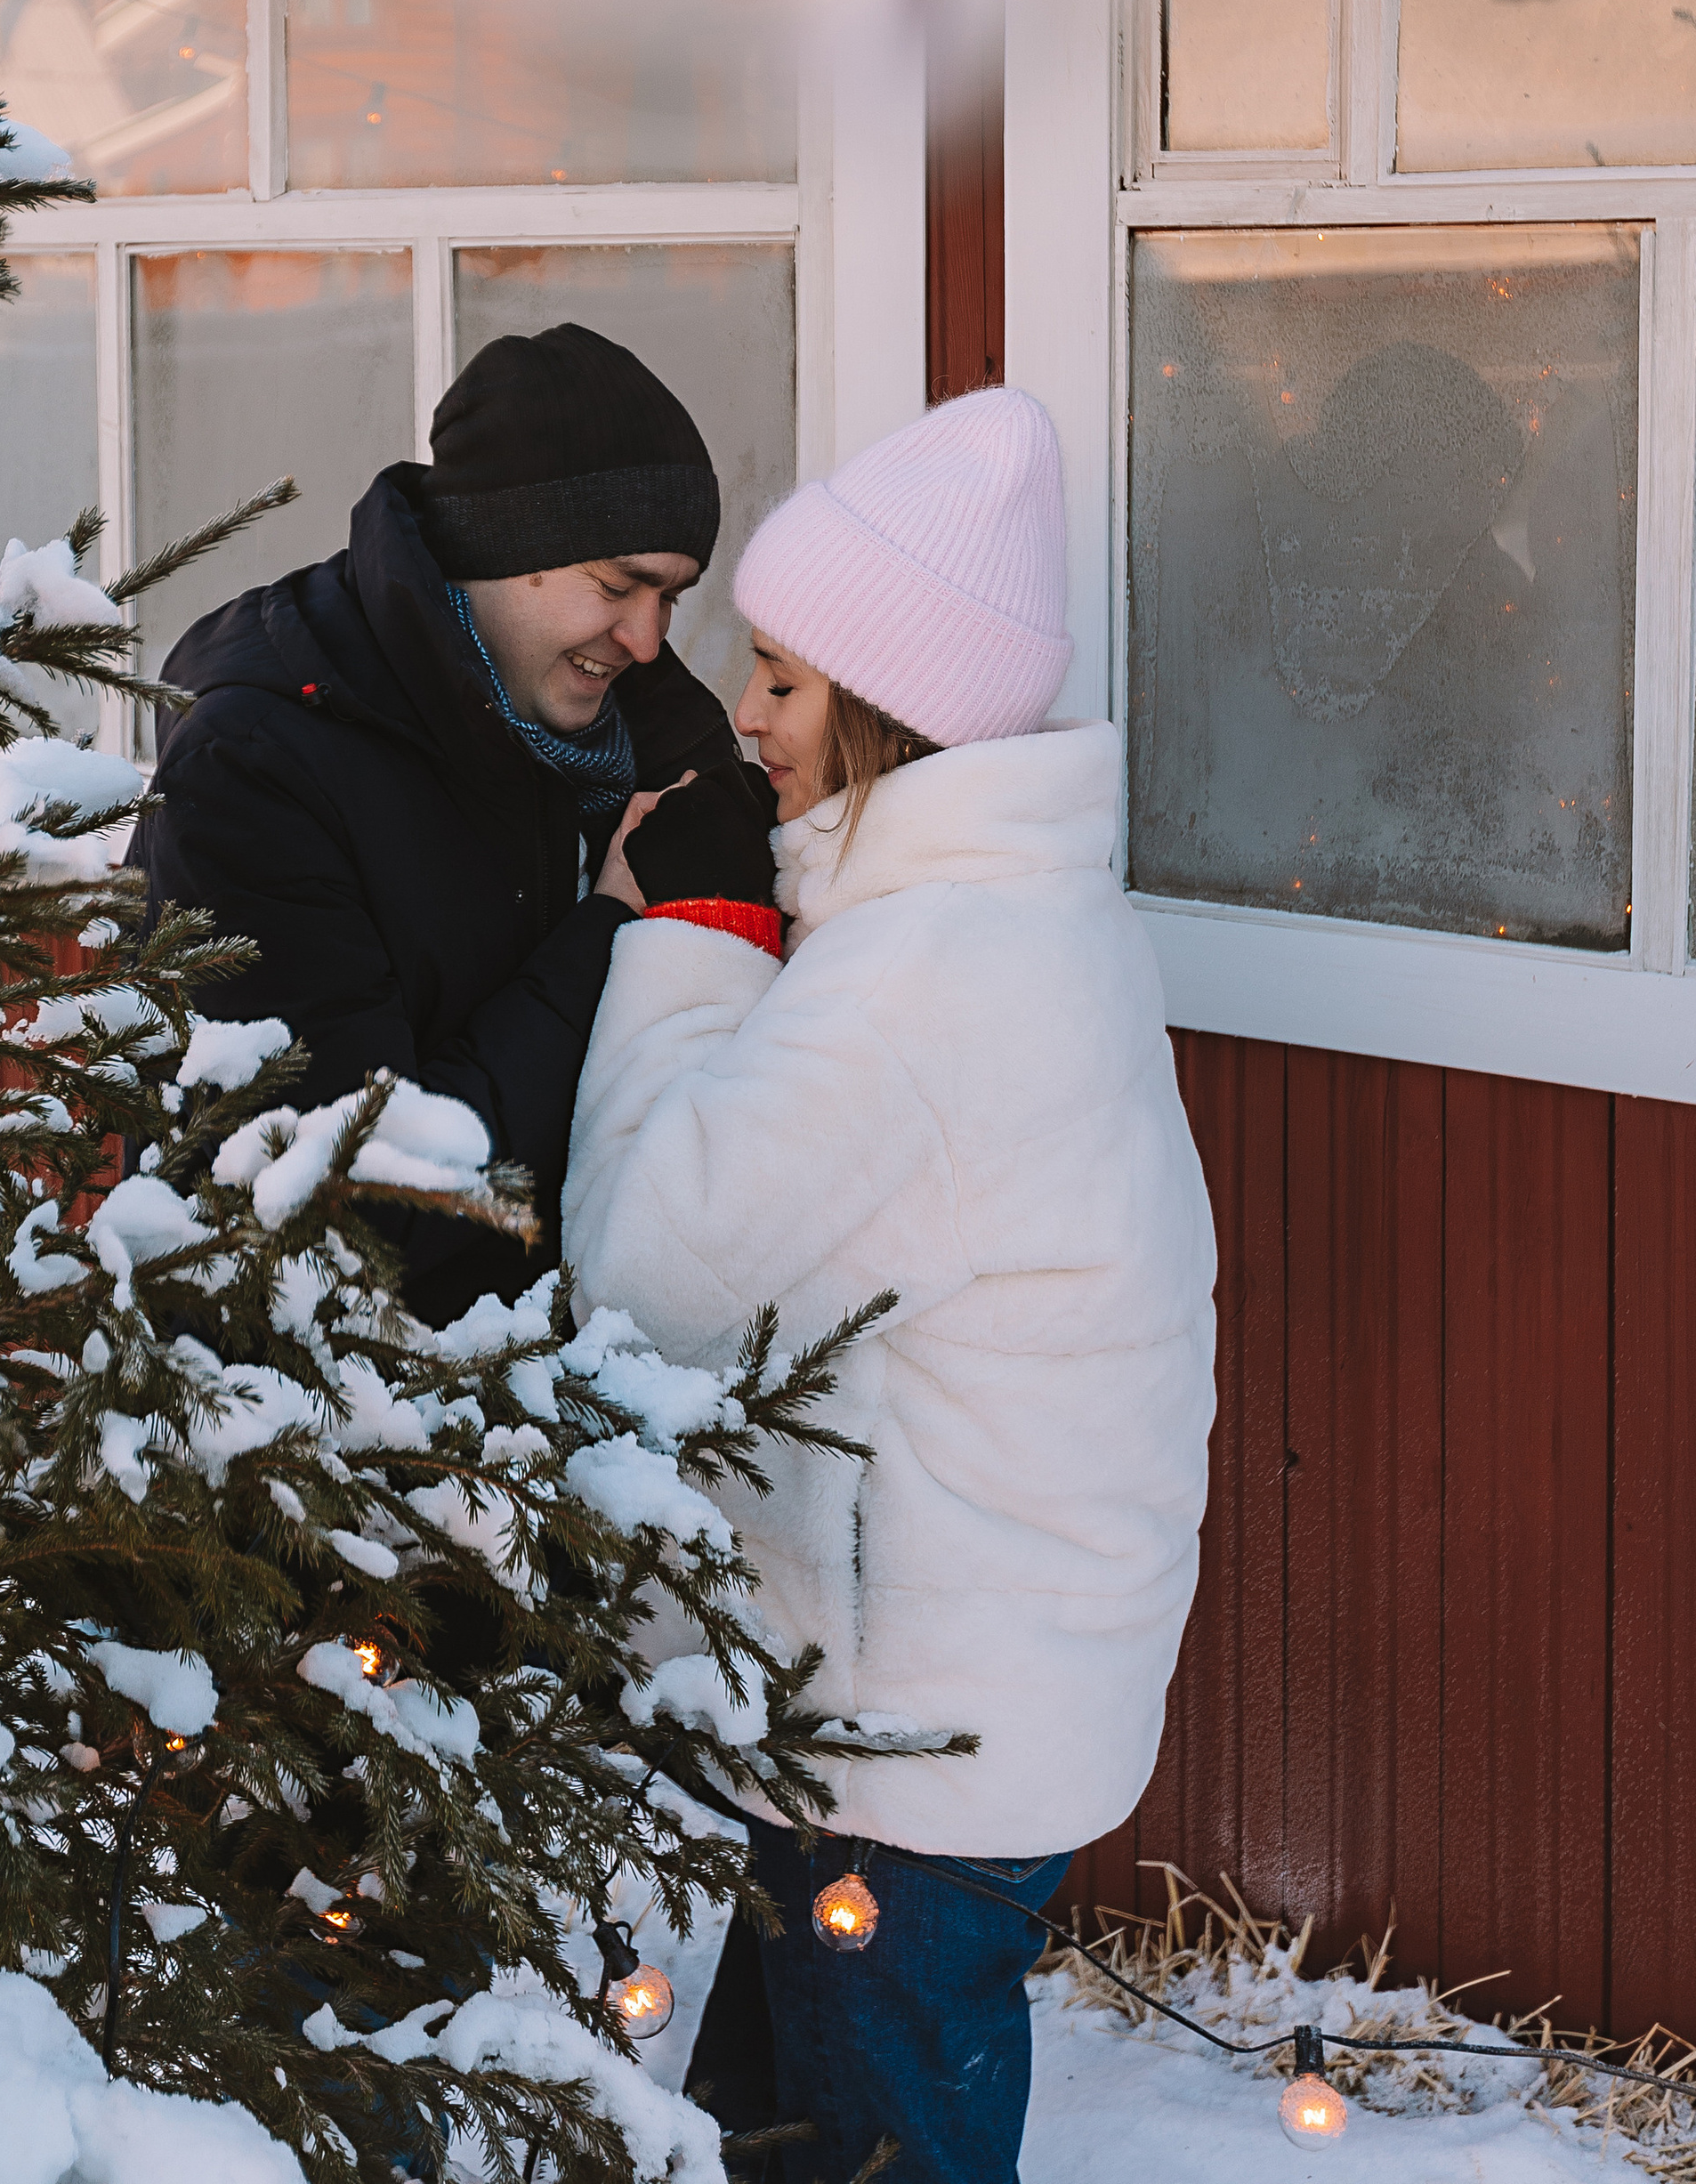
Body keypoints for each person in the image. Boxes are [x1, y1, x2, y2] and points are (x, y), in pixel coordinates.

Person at [562, 387, 1217, 2184]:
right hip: (936, 1692)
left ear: (883, 702)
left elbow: (650, 1261)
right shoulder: (989, 921)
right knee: (783, 2138)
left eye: (780, 677)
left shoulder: (931, 970)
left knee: (863, 2155)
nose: (747, 714)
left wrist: (688, 942)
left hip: (911, 1732)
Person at [137, 321, 773, 1324]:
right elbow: (349, 1207)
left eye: (671, 596)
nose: (649, 641)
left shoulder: (617, 724)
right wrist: (611, 929)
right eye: (616, 586)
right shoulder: (255, 769)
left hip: (573, 1389)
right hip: (350, 1424)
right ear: (497, 544)